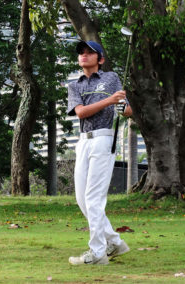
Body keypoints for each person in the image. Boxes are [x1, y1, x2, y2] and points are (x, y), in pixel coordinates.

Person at [67, 40, 132, 265]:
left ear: (100, 59)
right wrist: (109, 100)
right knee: (81, 199)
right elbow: (82, 113)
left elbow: (128, 110)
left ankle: (97, 253)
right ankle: (114, 241)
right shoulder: (74, 86)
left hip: (104, 139)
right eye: (81, 53)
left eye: (89, 53)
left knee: (94, 199)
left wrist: (120, 105)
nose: (84, 55)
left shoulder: (111, 78)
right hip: (84, 141)